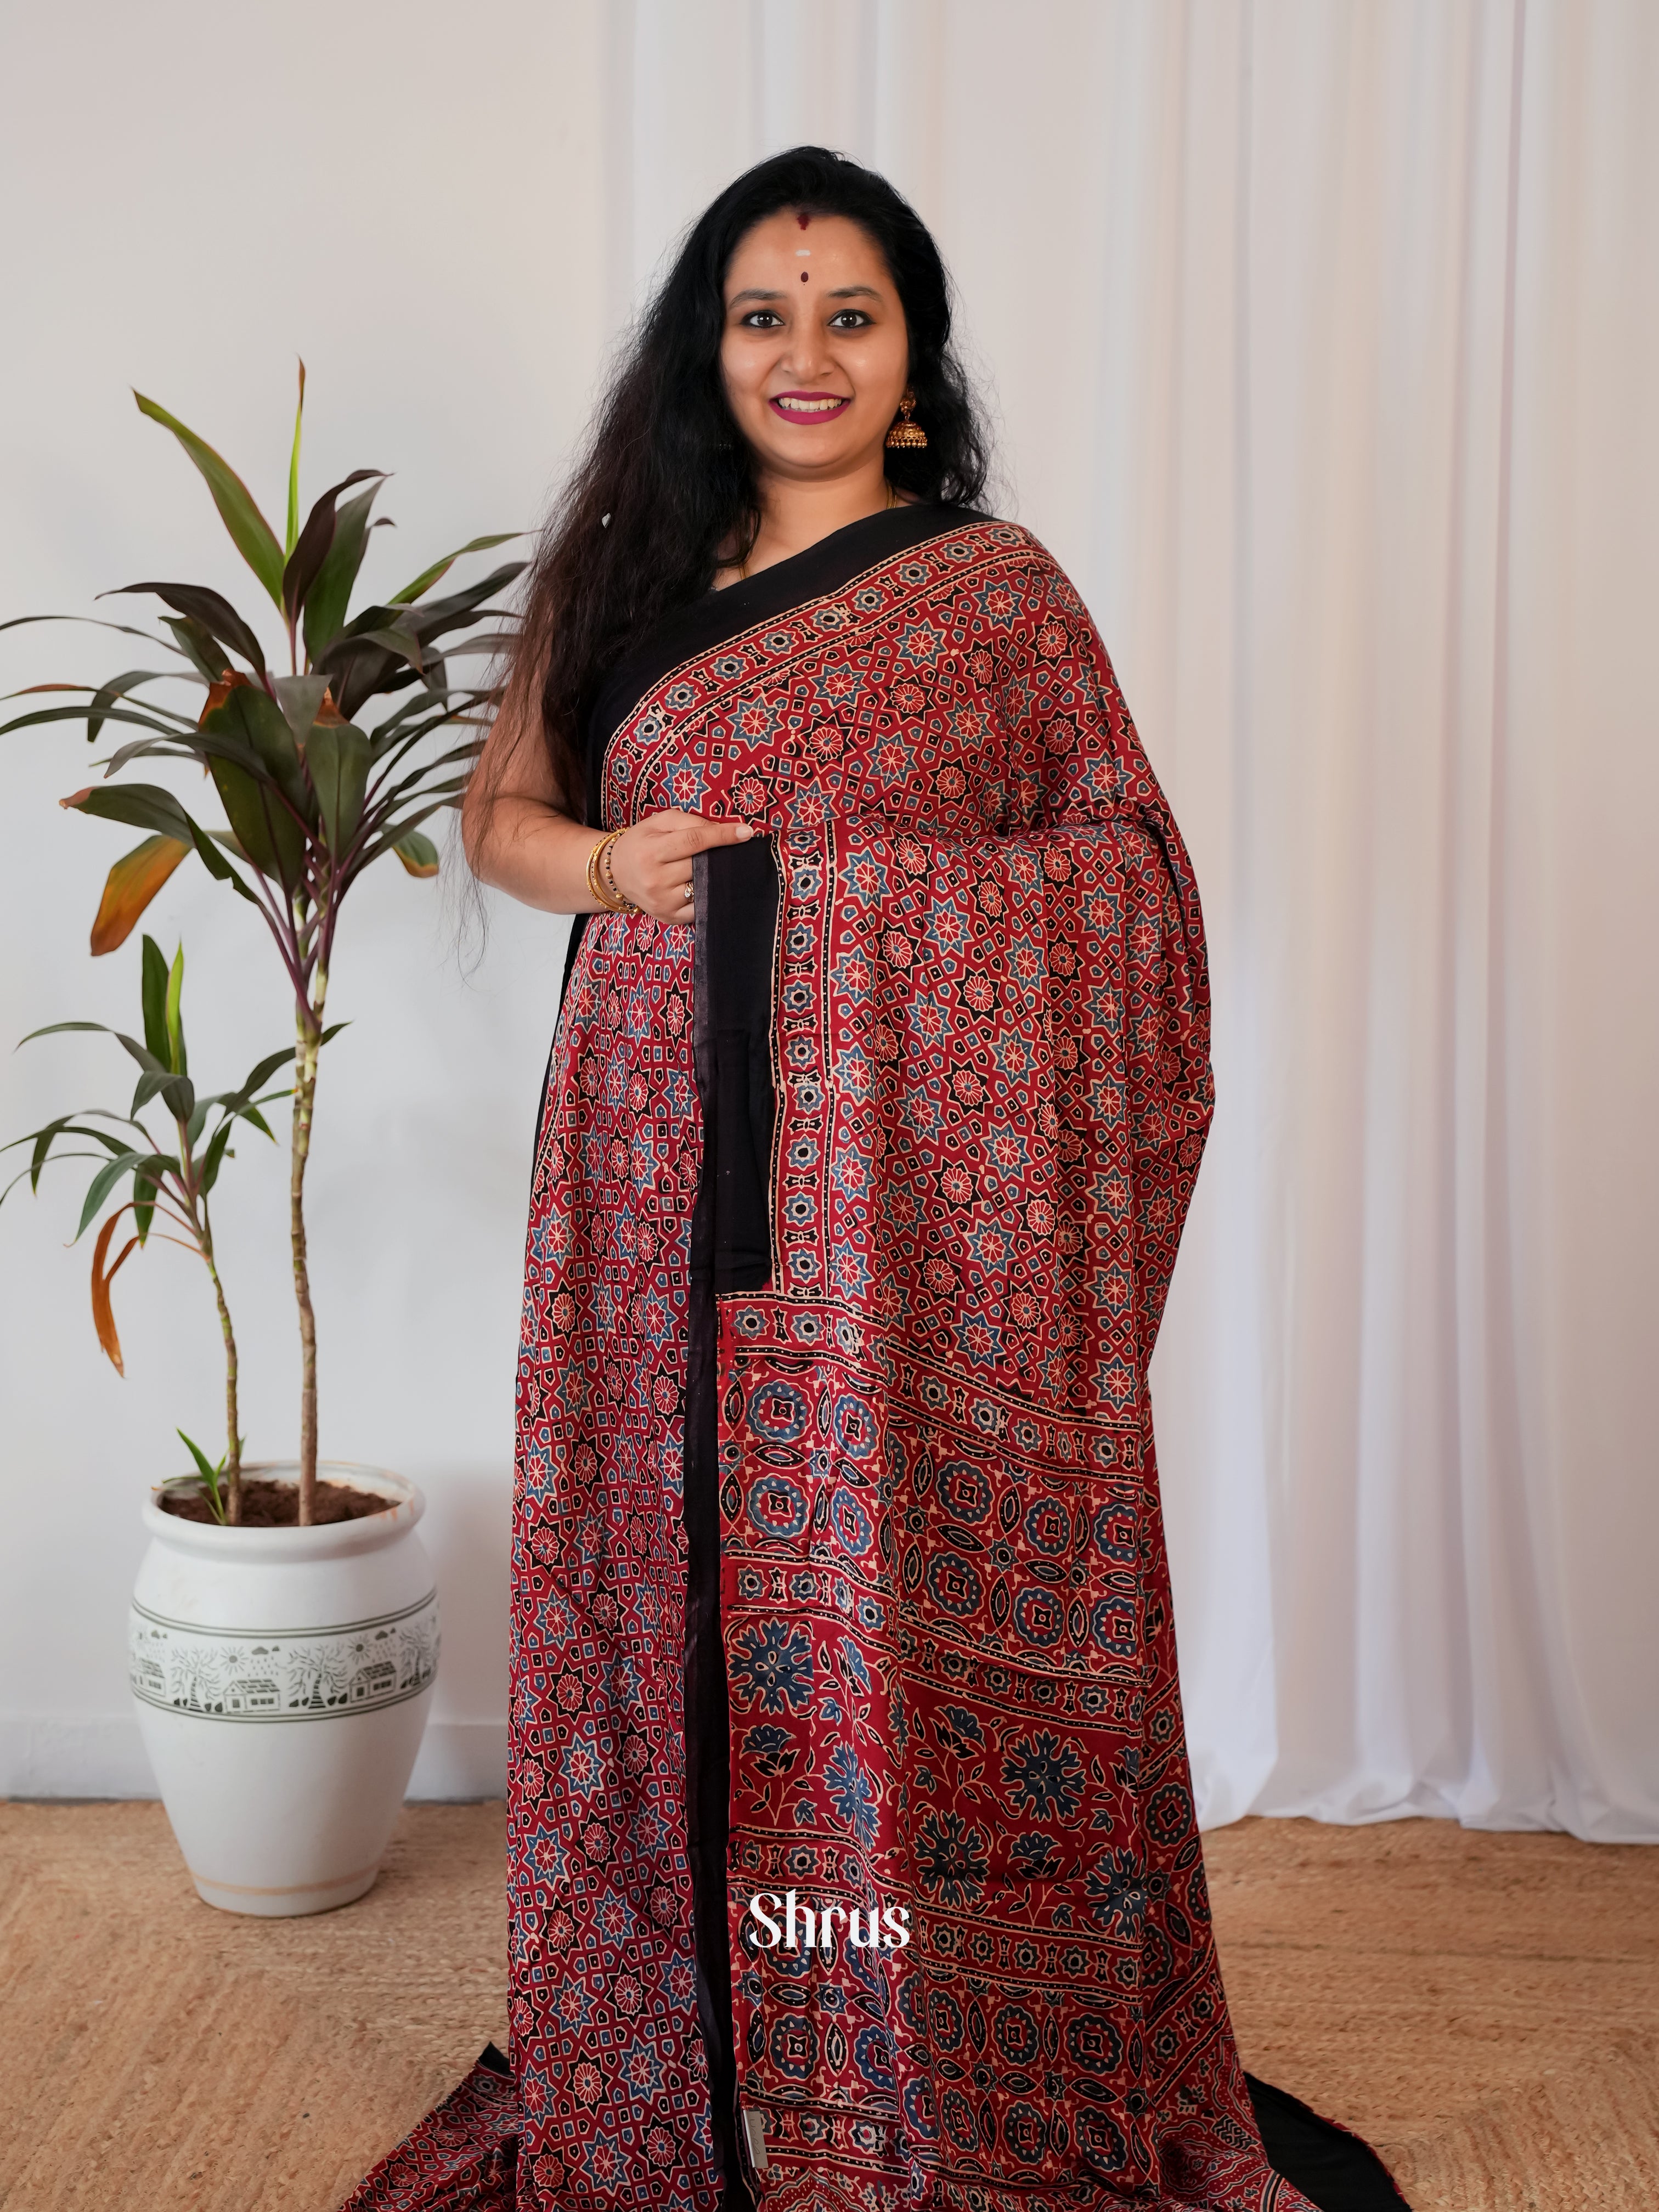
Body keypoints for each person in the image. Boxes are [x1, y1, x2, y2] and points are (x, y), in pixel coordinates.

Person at [342, 147, 1403, 2212]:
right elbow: (503, 817)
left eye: (852, 317)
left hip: (895, 1223)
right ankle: (691, 2056)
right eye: (763, 315)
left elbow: (1125, 890)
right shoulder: (630, 577)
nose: (805, 354)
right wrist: (623, 870)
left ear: (913, 362)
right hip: (648, 1185)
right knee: (666, 1586)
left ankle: (913, 2048)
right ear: (706, 350)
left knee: (879, 1602)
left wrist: (824, 912)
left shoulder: (994, 599)